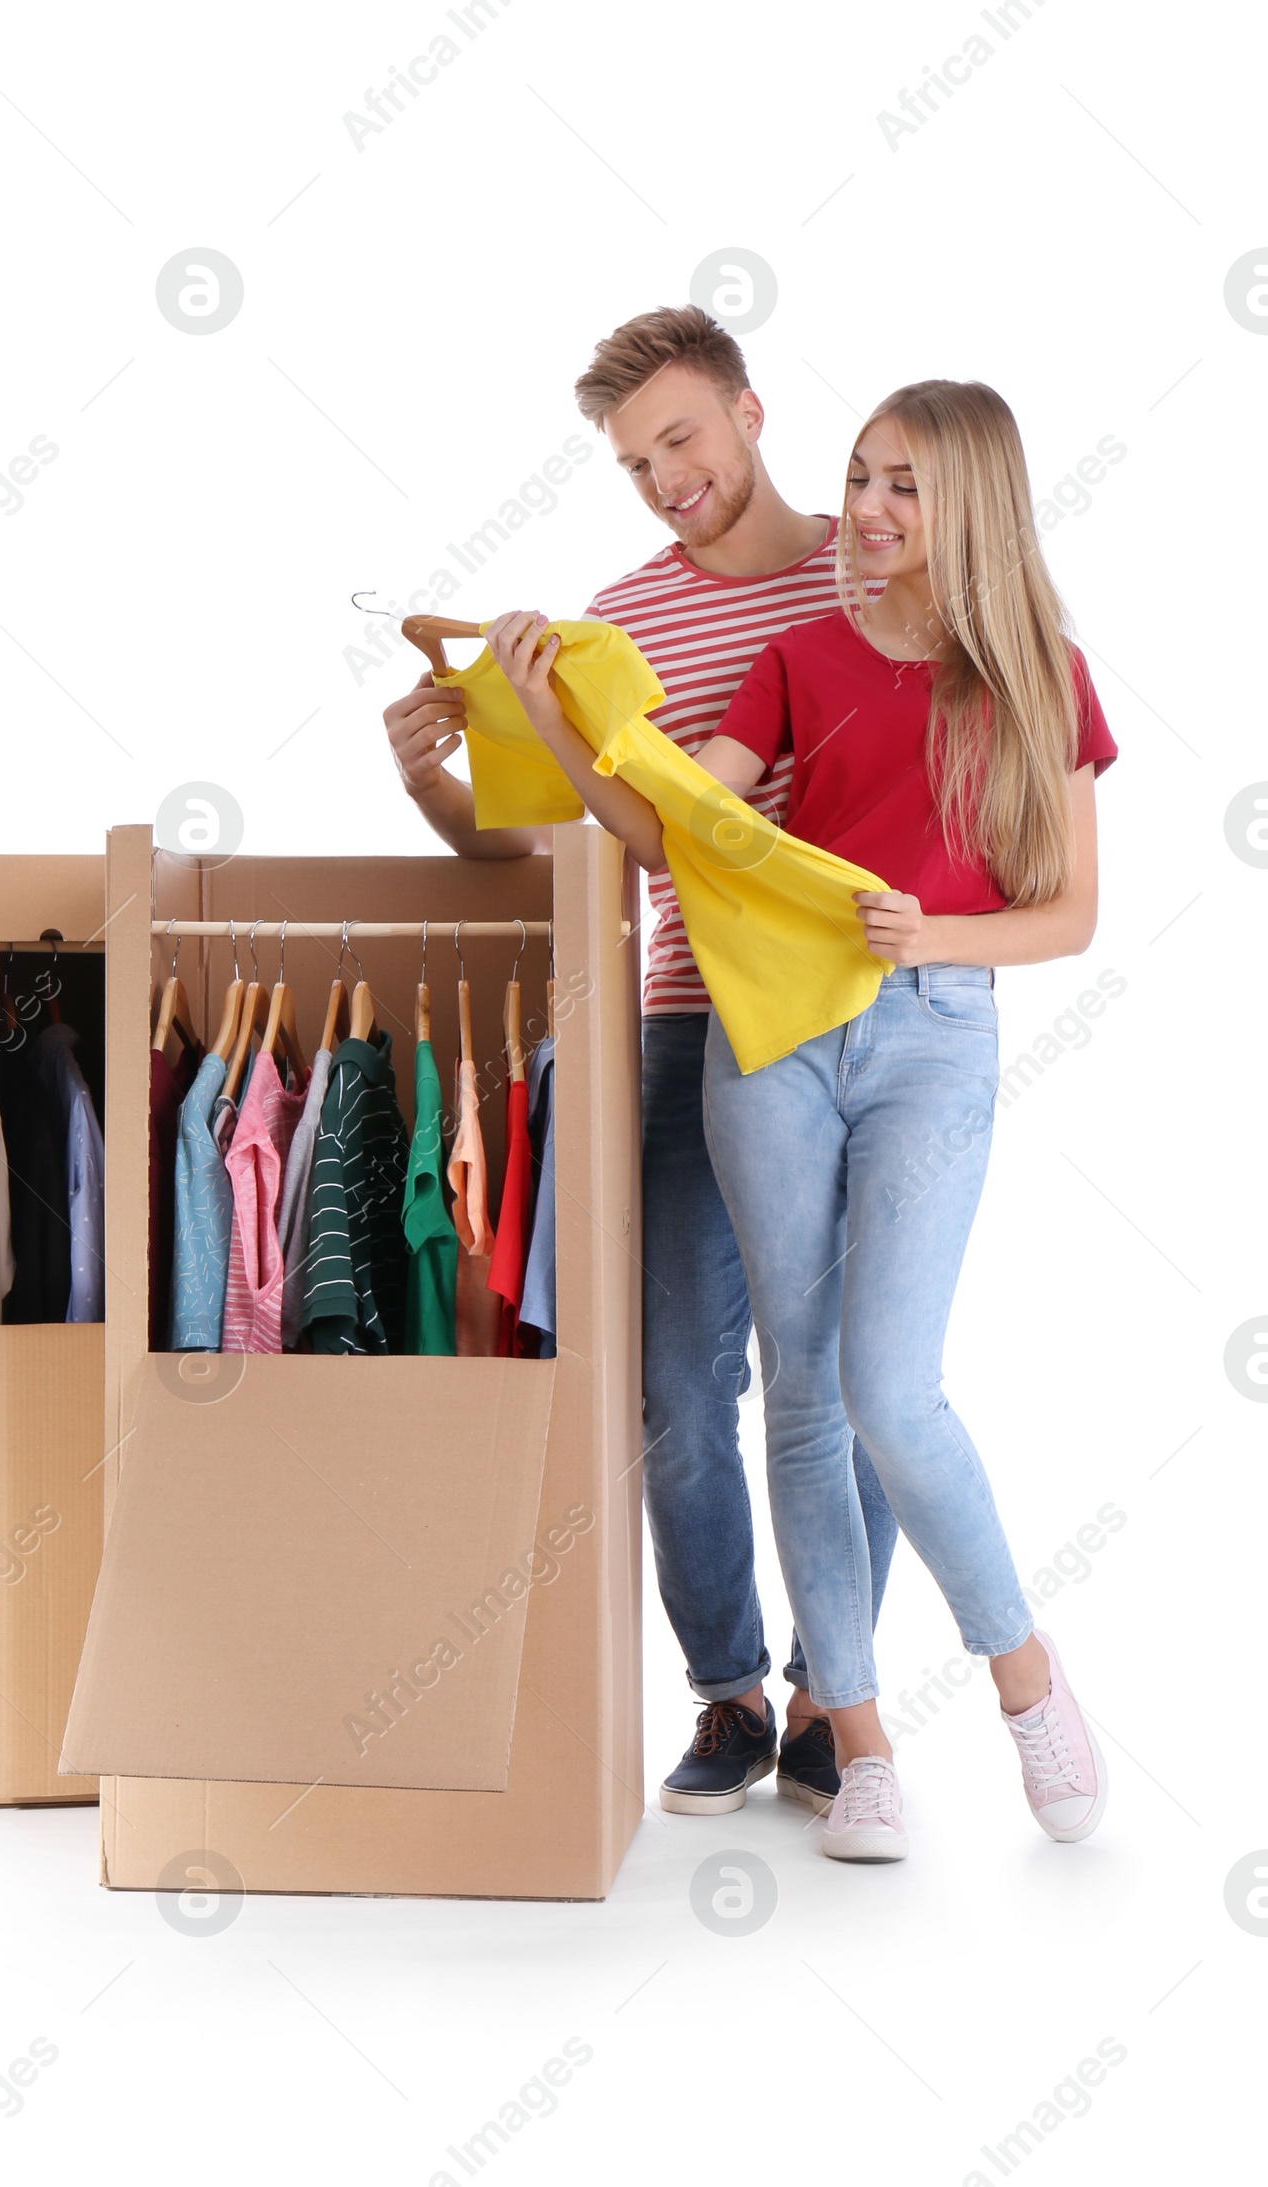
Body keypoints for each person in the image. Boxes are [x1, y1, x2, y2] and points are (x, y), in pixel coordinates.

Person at [488, 378, 1114, 1861]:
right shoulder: (795, 656)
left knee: (893, 1389)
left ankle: (1027, 1682)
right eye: (863, 480)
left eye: (906, 486)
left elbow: (1071, 916)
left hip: (930, 1033)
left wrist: (933, 940)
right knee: (796, 1388)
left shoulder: (1041, 672)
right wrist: (551, 726)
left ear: (970, 502)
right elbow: (670, 832)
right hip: (764, 1037)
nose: (876, 511)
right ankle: (858, 1733)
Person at [383, 307, 898, 1820]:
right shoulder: (614, 627)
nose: (666, 476)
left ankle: (833, 1695)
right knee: (678, 1389)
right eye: (634, 460)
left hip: (859, 1017)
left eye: (682, 438)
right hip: (685, 1020)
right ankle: (732, 1696)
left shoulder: (876, 567)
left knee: (855, 1380)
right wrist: (434, 781)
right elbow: (549, 855)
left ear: (749, 410)